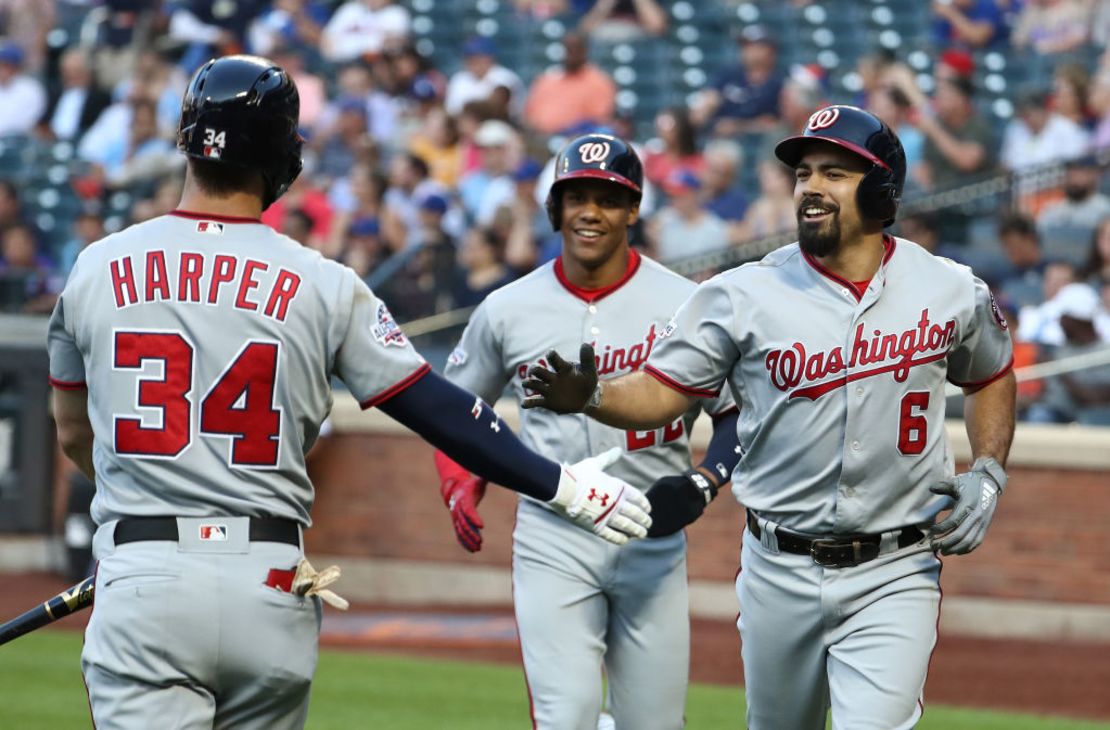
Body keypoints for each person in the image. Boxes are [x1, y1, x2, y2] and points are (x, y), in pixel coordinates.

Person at [46, 55, 650, 730]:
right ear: (282, 155)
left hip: (144, 571)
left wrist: (148, 538)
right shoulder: (321, 281)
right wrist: (564, 486)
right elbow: (438, 410)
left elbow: (74, 435)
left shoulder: (95, 267)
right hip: (268, 583)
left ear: (186, 137)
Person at [522, 106, 1017, 729]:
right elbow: (664, 391)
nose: (810, 186)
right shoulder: (740, 293)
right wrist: (593, 395)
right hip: (777, 563)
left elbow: (991, 376)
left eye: (834, 172)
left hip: (898, 564)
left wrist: (990, 469)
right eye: (804, 173)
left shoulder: (949, 288)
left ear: (882, 190)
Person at [433, 133, 741, 730]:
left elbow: (733, 412)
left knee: (654, 723)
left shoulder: (688, 303)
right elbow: (455, 408)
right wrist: (458, 478)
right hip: (555, 533)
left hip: (652, 534)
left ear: (633, 209)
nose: (590, 211)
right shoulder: (508, 307)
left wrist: (704, 482)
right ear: (555, 209)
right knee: (564, 716)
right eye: (576, 197)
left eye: (608, 197)